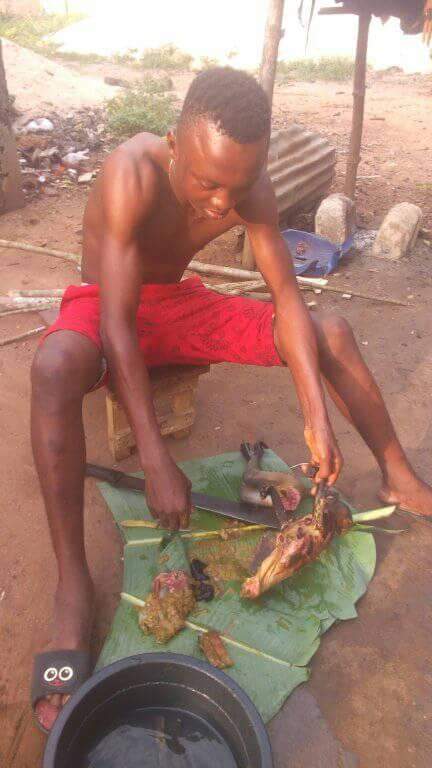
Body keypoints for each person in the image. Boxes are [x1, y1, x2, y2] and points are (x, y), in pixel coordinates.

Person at [30, 67, 432, 732]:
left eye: (237, 186)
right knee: (50, 367)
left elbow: (288, 301)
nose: (220, 203)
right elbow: (120, 327)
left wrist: (314, 416)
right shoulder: (131, 175)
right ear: (172, 145)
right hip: (108, 314)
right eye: (206, 182)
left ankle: (398, 471)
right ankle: (72, 583)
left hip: (179, 307)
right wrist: (157, 459)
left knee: (330, 330)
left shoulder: (250, 189)